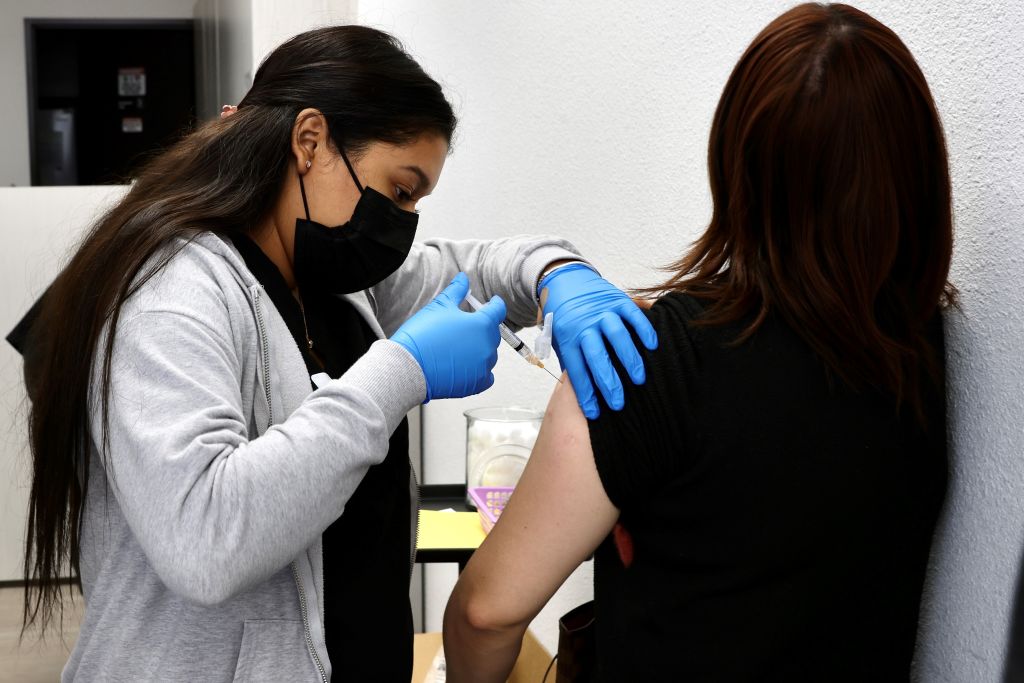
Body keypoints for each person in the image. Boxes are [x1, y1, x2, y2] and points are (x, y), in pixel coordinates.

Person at [14, 26, 658, 682]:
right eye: (400, 190)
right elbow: (204, 539)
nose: (402, 222)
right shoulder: (174, 288)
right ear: (310, 140)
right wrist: (399, 372)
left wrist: (557, 275)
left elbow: (481, 266)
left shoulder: (333, 276)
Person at [443, 4, 954, 681]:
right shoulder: (920, 347)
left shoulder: (646, 361)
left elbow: (488, 611)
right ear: (916, 178)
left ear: (733, 165)